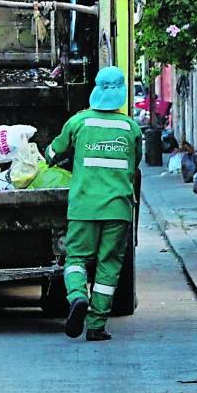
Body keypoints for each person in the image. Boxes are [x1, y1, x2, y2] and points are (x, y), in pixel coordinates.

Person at [45, 66, 142, 342]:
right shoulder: (131, 128)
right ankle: (97, 326)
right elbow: (135, 164)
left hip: (84, 207)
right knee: (109, 265)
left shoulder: (79, 123)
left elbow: (53, 152)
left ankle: (77, 296)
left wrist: (46, 156)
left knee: (75, 259)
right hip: (118, 209)